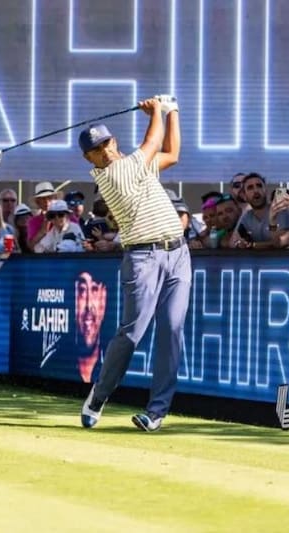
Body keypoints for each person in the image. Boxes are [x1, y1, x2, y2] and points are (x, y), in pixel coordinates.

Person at [78, 95, 190, 432]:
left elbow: (171, 153)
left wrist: (173, 111)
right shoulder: (114, 174)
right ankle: (99, 395)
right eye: (97, 149)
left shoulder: (136, 166)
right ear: (89, 158)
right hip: (143, 258)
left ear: (114, 141)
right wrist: (156, 110)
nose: (105, 151)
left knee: (172, 330)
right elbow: (152, 142)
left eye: (107, 143)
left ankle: (156, 412)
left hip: (178, 254)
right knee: (132, 334)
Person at [73, 271, 108, 383]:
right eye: (82, 290)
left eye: (94, 289)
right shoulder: (51, 365)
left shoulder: (115, 366)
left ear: (103, 298)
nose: (88, 304)